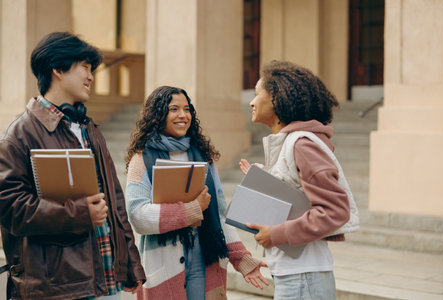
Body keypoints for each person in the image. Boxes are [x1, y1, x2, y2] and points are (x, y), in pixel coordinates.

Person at [0, 32, 146, 300]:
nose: (91, 77)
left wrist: (132, 265)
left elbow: (115, 201)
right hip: (58, 287)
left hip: (108, 279)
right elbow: (10, 209)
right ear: (57, 68)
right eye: (85, 68)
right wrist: (78, 214)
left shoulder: (89, 127)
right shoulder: (19, 134)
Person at [125, 85, 269, 300]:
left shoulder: (203, 157)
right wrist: (191, 210)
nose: (183, 115)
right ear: (157, 114)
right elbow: (138, 216)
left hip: (206, 260)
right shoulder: (141, 160)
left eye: (187, 109)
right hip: (165, 267)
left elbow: (219, 215)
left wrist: (241, 258)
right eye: (173, 109)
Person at [240, 60, 359, 300]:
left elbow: (335, 210)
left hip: (303, 276)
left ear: (276, 98)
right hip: (296, 274)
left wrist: (276, 235)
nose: (251, 102)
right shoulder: (293, 143)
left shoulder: (302, 144)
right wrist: (265, 179)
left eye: (256, 94)